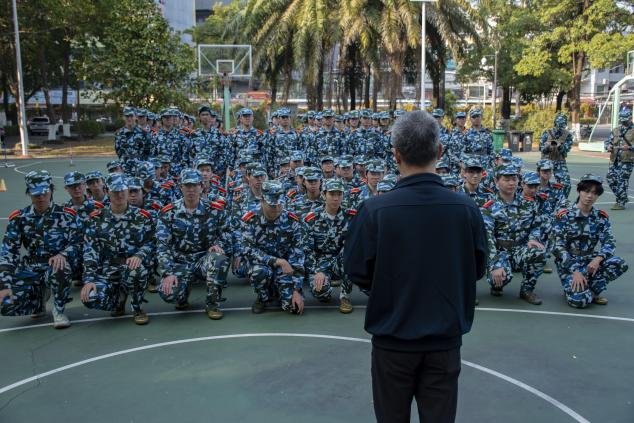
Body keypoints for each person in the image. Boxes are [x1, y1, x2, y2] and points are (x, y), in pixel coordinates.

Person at [343, 110, 487, 423]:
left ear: (396, 155)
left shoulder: (374, 210)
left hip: (393, 339)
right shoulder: (466, 209)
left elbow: (356, 270)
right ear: (439, 151)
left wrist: (389, 285)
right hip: (444, 342)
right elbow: (476, 269)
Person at [0, 170, 82, 328]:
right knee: (6, 305)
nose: (41, 197)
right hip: (32, 266)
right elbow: (8, 252)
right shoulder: (19, 218)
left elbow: (78, 242)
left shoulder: (67, 215)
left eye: (44, 193)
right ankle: (38, 301)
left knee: (60, 268)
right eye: (36, 194)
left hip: (57, 265)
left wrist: (63, 255)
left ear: (51, 190)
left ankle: (58, 310)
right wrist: (4, 285)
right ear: (29, 193)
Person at [155, 169, 231, 320]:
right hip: (180, 263)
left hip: (203, 260)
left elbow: (227, 233)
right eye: (187, 185)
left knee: (219, 259)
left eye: (194, 185)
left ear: (201, 186)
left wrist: (218, 244)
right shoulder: (168, 212)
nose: (191, 189)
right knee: (169, 294)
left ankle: (212, 303)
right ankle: (182, 295)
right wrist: (168, 273)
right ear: (181, 187)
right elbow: (163, 245)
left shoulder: (214, 210)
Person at [80, 174, 154, 325]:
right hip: (108, 269)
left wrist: (139, 255)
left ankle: (137, 307)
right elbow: (90, 251)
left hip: (132, 266)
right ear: (107, 192)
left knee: (136, 271)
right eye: (115, 191)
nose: (119, 195)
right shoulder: (96, 218)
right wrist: (89, 280)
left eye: (123, 191)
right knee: (91, 297)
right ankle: (118, 300)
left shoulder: (142, 217)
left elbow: (151, 242)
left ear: (127, 191)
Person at [552, 175, 628, 308]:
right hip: (570, 263)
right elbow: (557, 247)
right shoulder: (564, 215)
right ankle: (579, 290)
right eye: (586, 191)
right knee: (579, 302)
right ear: (579, 191)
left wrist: (598, 259)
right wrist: (575, 271)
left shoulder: (600, 217)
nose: (590, 196)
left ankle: (590, 290)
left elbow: (609, 242)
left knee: (619, 263)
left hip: (590, 262)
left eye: (594, 193)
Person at [482, 163, 546, 305]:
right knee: (499, 277)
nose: (511, 183)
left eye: (514, 179)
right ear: (496, 181)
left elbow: (536, 225)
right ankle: (497, 284)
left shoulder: (528, 204)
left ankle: (527, 290)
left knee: (539, 252)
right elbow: (488, 237)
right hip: (500, 251)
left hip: (520, 249)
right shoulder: (489, 207)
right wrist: (495, 263)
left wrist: (533, 239)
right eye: (506, 179)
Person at [239, 181, 305, 314]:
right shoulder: (250, 219)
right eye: (272, 205)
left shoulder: (291, 220)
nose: (277, 208)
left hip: (285, 268)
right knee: (259, 272)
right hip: (262, 265)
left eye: (280, 204)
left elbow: (297, 255)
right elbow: (248, 249)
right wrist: (277, 261)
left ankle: (280, 291)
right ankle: (262, 297)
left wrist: (296, 290)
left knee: (293, 308)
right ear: (262, 200)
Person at [303, 179, 358, 313]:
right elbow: (307, 250)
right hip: (319, 261)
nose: (336, 198)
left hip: (341, 259)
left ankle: (345, 296)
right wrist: (317, 271)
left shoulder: (351, 216)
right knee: (320, 292)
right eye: (332, 194)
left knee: (350, 252)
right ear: (323, 195)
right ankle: (327, 286)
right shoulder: (312, 218)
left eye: (339, 194)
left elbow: (354, 246)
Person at [605, 107, 633, 210]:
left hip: (627, 160)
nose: (623, 122)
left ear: (630, 118)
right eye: (622, 120)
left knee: (622, 181)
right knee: (610, 178)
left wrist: (630, 147)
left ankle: (620, 202)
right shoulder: (616, 130)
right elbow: (608, 141)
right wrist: (608, 146)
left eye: (625, 120)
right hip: (615, 159)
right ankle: (623, 197)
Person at [539, 113, 573, 197]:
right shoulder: (547, 133)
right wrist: (548, 146)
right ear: (555, 123)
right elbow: (541, 148)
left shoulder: (567, 135)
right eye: (559, 124)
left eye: (562, 125)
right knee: (541, 183)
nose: (560, 127)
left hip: (559, 161)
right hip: (546, 161)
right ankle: (541, 199)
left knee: (566, 184)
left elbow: (567, 149)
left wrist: (560, 146)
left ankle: (561, 200)